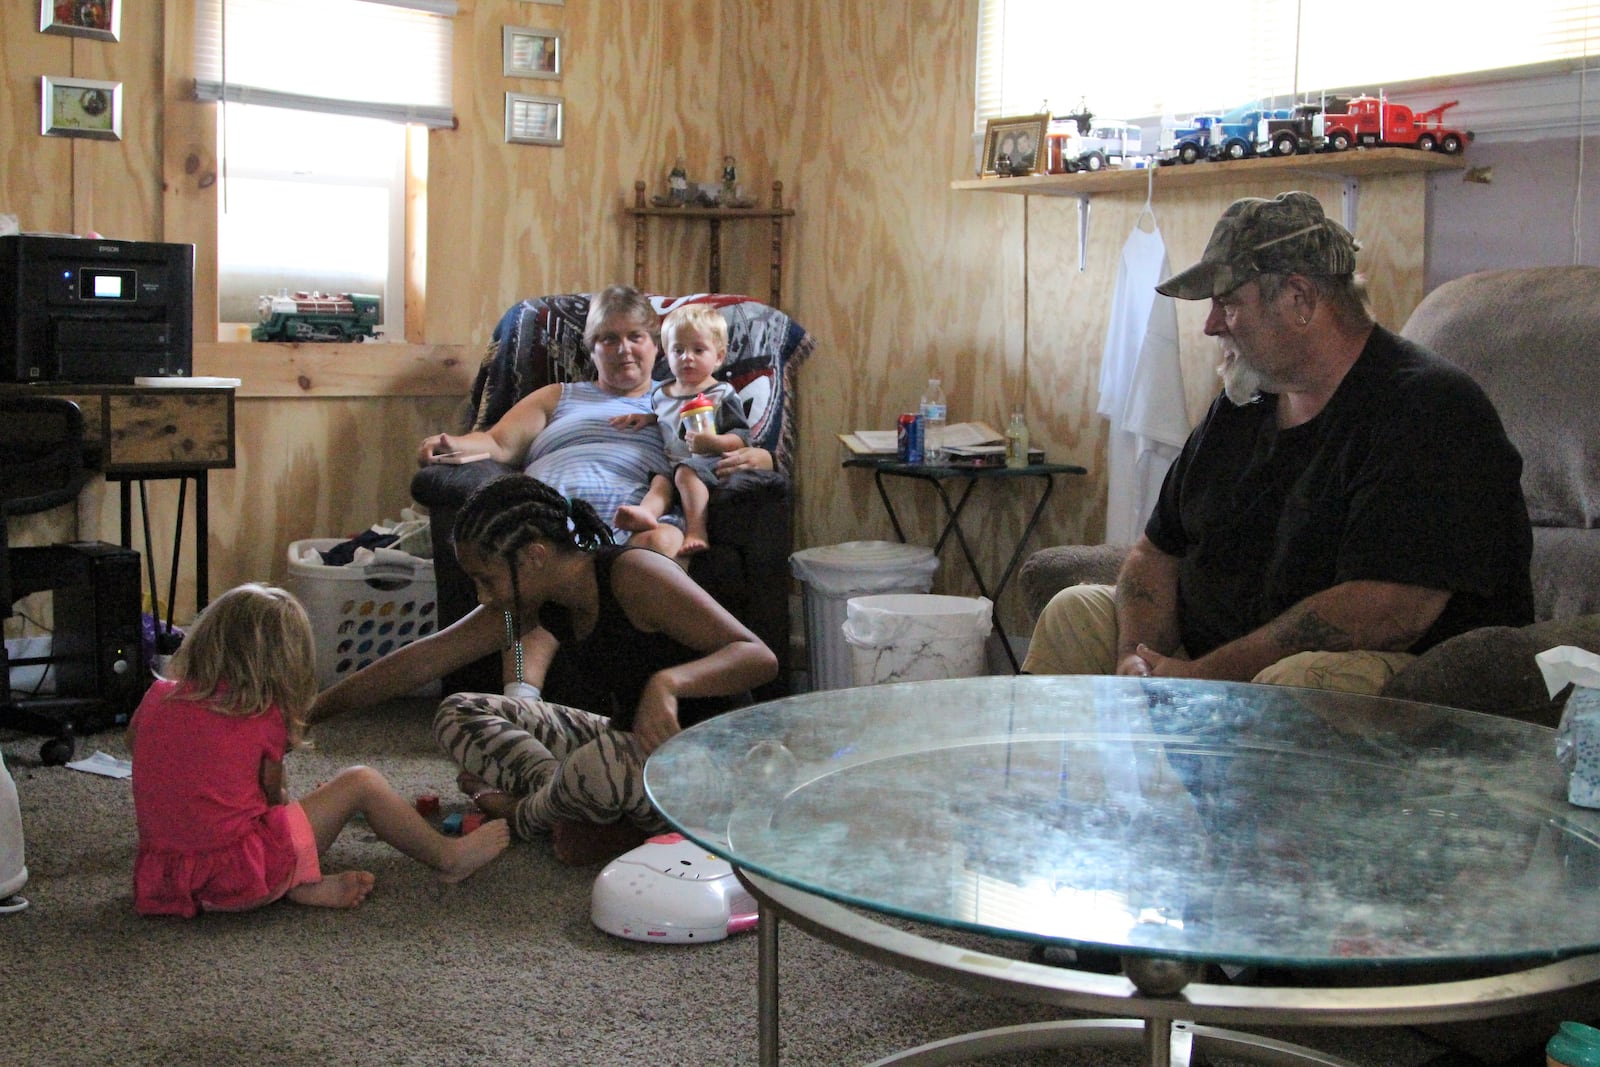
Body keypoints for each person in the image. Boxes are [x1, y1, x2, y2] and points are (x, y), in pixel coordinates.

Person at [1024, 190, 1533, 694]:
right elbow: (1157, 552)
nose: (1209, 325)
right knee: (1076, 614)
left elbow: (1389, 611)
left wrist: (1205, 678)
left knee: (1296, 680)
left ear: (1299, 299)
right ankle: (1069, 777)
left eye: (1228, 304)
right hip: (1220, 666)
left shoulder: (1427, 407)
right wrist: (1135, 660)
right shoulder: (1245, 398)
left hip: (1385, 674)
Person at [306, 474, 779, 865]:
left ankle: (523, 812)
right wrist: (311, 713)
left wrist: (670, 684)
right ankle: (569, 805)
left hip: (709, 765)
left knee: (601, 763)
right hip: (626, 746)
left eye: (486, 579)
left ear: (534, 556)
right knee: (458, 711)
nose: (482, 596)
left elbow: (757, 656)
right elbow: (426, 658)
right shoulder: (536, 600)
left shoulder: (636, 574)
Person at [129, 584, 510, 918]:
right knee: (360, 782)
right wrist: (312, 814)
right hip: (238, 876)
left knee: (247, 817)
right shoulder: (262, 716)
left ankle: (298, 884)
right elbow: (272, 800)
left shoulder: (157, 696)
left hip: (169, 880)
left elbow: (137, 747)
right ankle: (448, 857)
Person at [417, 285, 774, 561]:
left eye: (635, 337)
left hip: (634, 520)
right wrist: (451, 443)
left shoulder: (677, 400)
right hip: (549, 520)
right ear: (592, 349)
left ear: (656, 346)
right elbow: (497, 444)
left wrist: (762, 458)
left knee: (665, 541)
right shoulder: (557, 395)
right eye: (609, 339)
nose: (624, 350)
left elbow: (728, 444)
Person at [613, 303, 750, 555]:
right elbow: (667, 417)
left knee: (684, 473)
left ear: (718, 357)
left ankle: (696, 530)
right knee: (659, 481)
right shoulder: (662, 393)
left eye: (698, 350)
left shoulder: (721, 394)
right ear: (666, 354)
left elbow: (742, 438)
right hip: (674, 465)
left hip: (709, 465)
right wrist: (646, 418)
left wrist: (713, 442)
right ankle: (646, 513)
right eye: (679, 350)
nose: (687, 357)